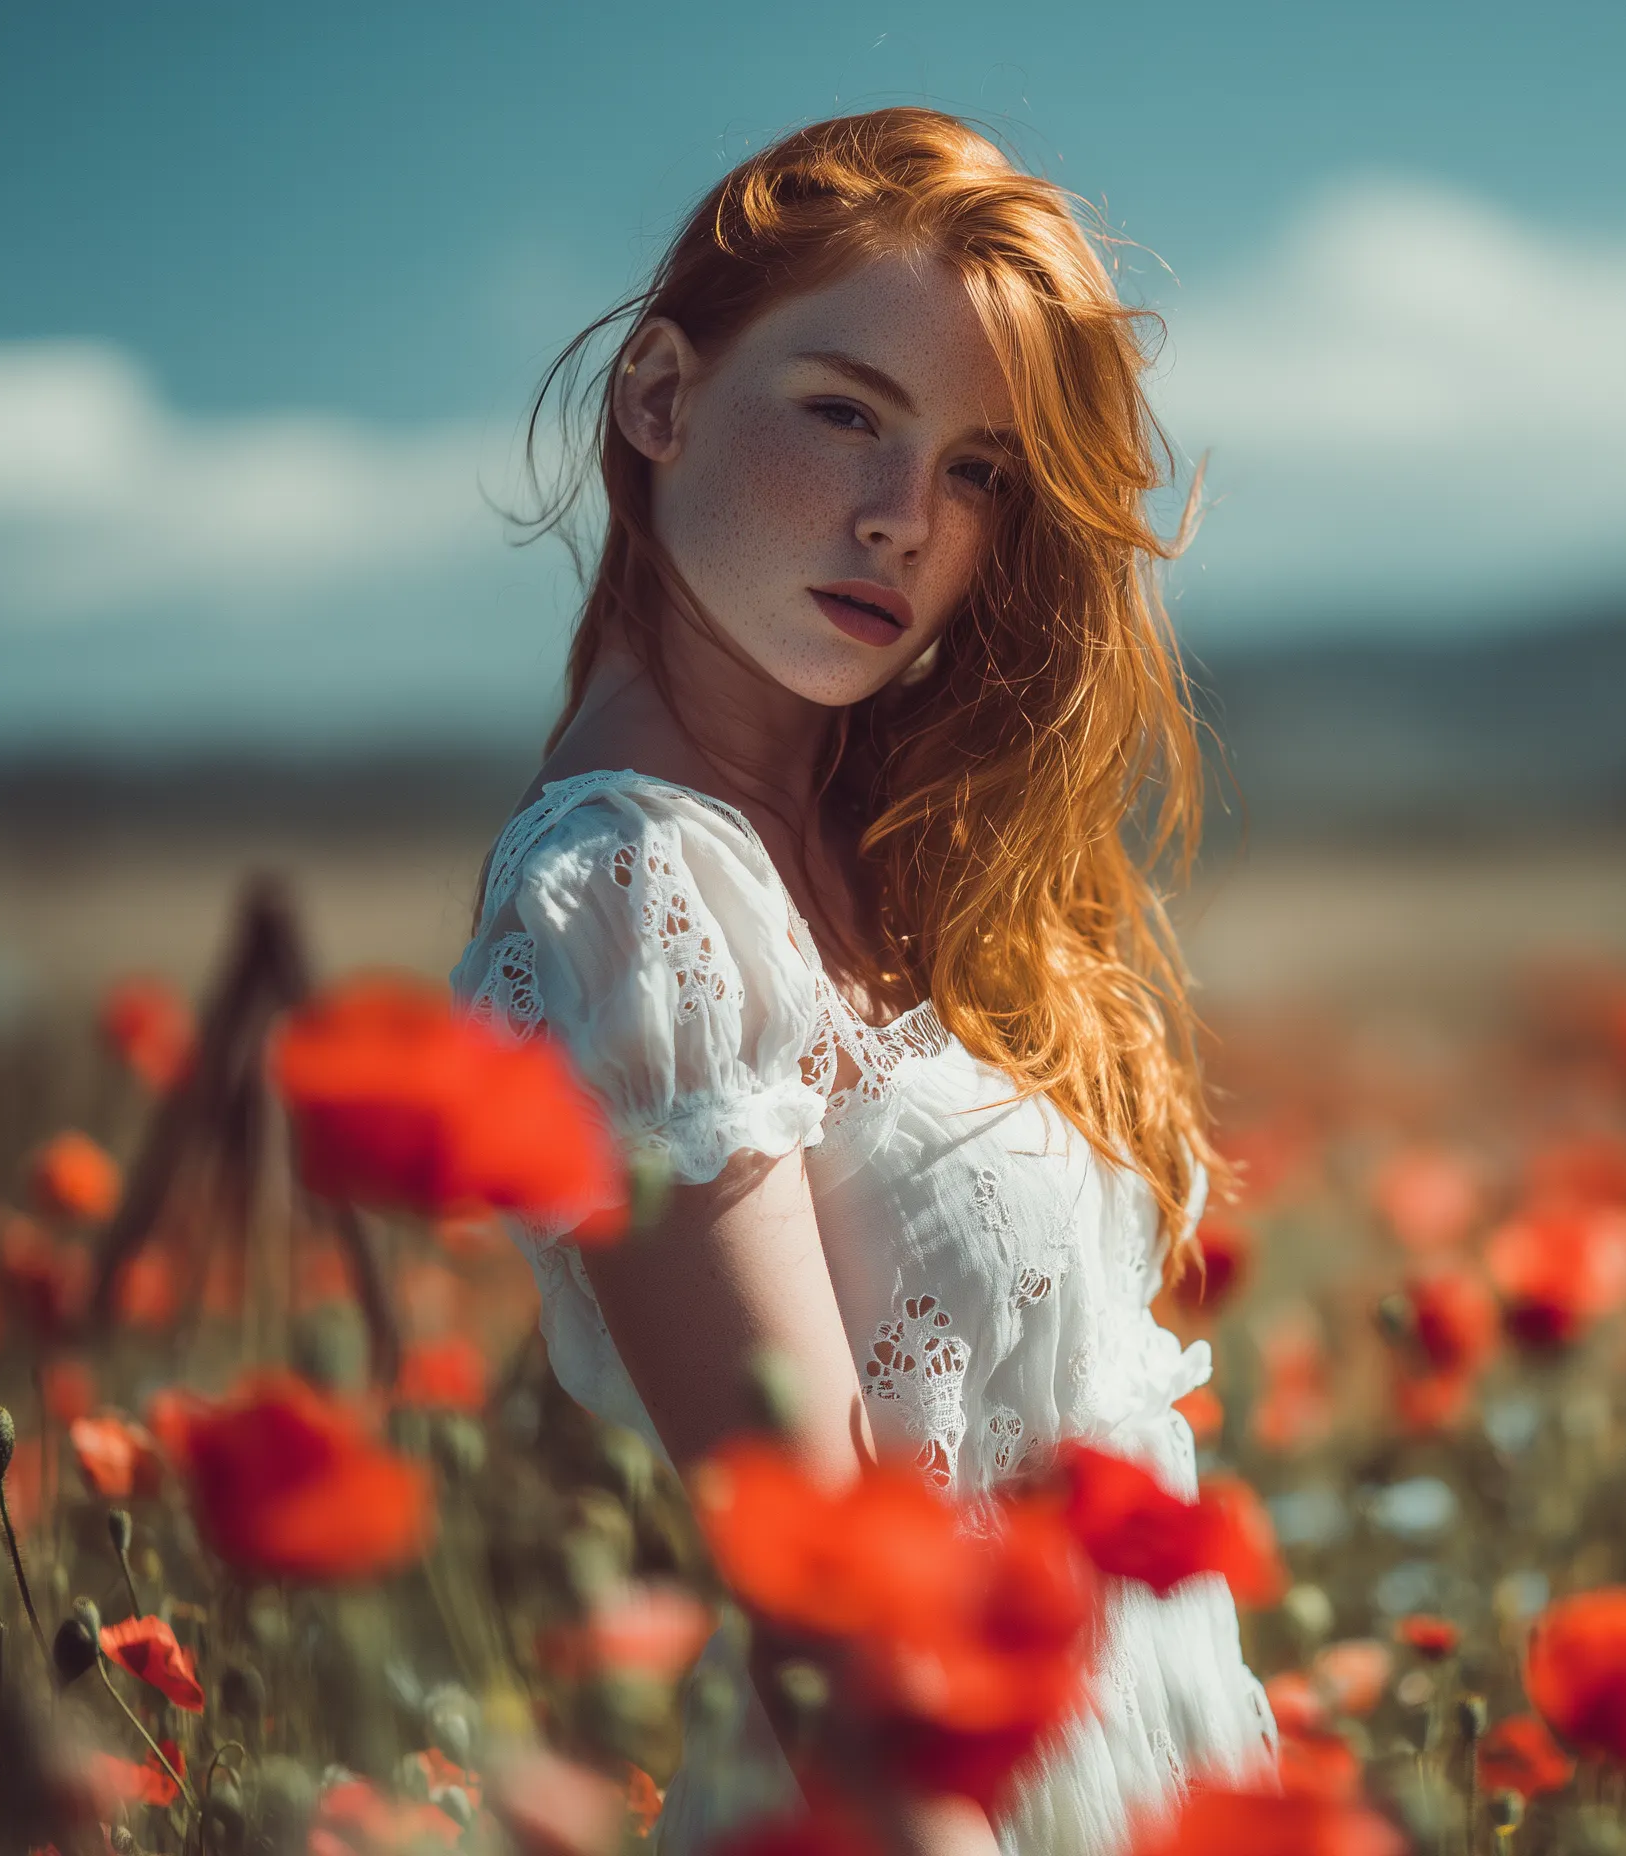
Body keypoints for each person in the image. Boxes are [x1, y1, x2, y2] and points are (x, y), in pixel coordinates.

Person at [449, 109, 1277, 1855]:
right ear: (660, 399)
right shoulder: (635, 891)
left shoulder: (879, 831)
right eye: (846, 413)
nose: (906, 521)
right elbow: (830, 1622)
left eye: (979, 468)